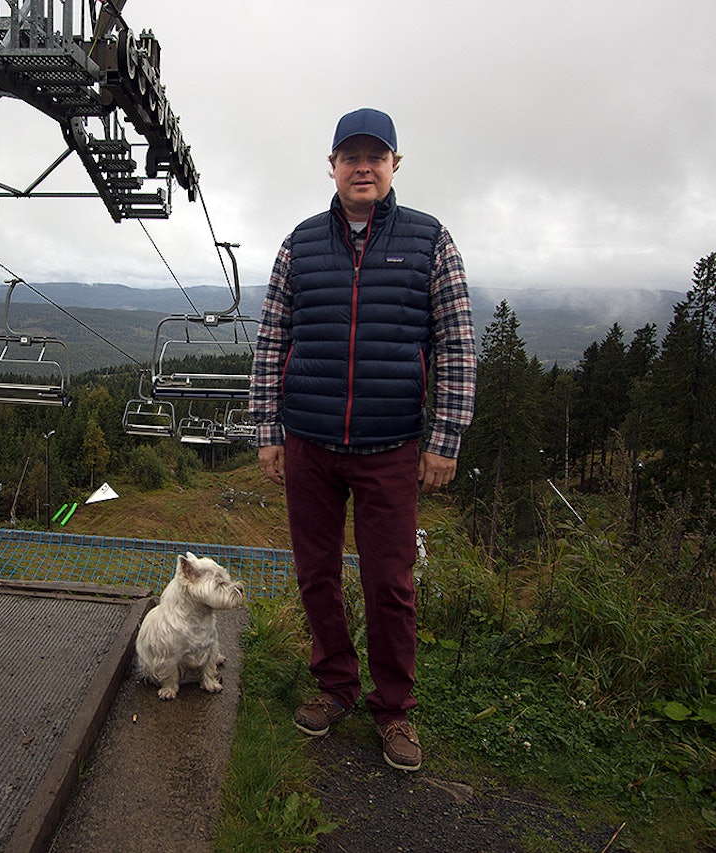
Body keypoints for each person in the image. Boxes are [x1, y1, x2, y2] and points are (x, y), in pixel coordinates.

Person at [249, 107, 476, 771]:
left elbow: (456, 342)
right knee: (316, 573)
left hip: (391, 445)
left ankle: (395, 709)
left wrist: (447, 436)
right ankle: (334, 685)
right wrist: (269, 431)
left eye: (377, 156)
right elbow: (271, 341)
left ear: (395, 166)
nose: (364, 166)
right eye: (351, 156)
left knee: (390, 582)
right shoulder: (299, 243)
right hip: (310, 443)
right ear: (333, 165)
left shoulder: (431, 241)